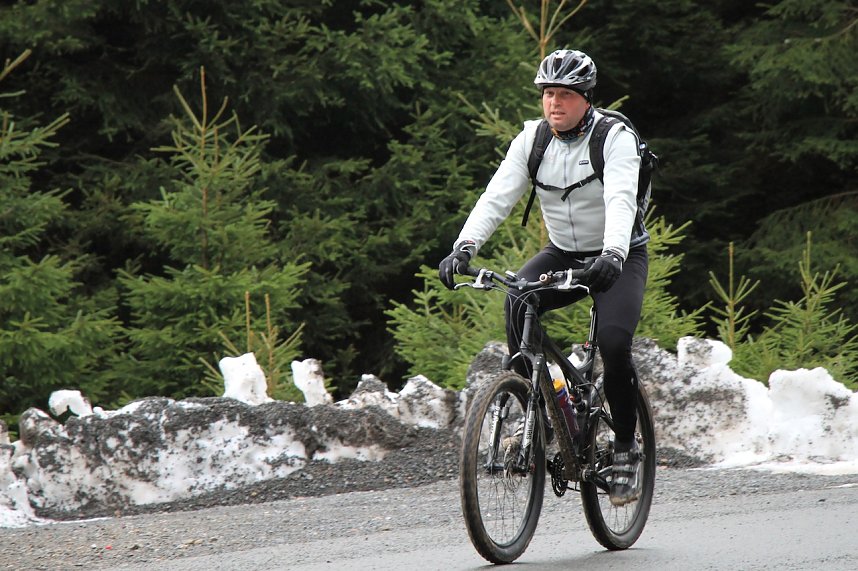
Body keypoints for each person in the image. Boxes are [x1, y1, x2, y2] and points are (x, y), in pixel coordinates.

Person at [438, 49, 649, 506]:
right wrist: (464, 247)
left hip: (619, 256)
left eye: (565, 95)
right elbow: (498, 194)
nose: (554, 103)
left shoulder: (613, 138)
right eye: (548, 93)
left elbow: (620, 199)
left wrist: (613, 252)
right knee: (517, 300)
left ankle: (627, 450)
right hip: (563, 251)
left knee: (614, 344)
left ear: (586, 98)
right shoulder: (532, 140)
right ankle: (530, 410)